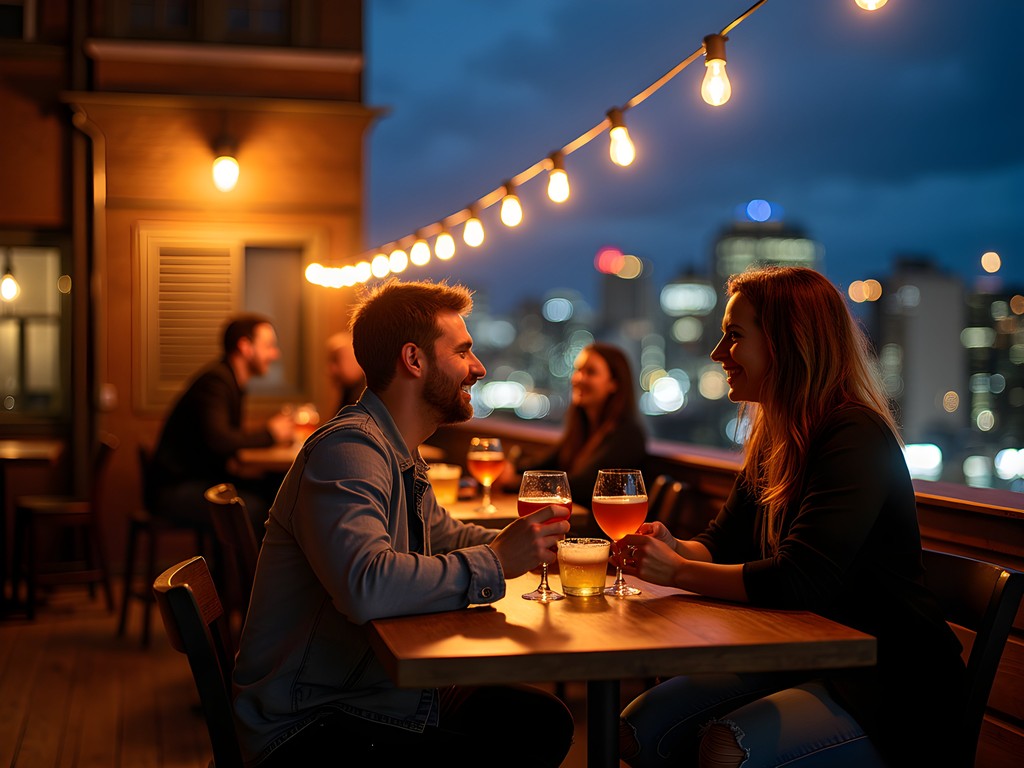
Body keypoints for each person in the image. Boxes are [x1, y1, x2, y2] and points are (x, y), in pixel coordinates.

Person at [614, 266, 967, 767]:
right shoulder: (774, 438)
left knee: (724, 747)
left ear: (790, 342)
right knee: (633, 729)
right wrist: (675, 548)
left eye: (734, 337)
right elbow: (720, 542)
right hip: (799, 657)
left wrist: (678, 571)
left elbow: (801, 580)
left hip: (888, 680)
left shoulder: (852, 435)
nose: (718, 355)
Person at [232, 279, 574, 768]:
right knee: (526, 734)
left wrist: (547, 550)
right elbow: (365, 584)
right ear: (414, 360)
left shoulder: (396, 451)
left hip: (362, 692)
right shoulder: (349, 449)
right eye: (463, 351)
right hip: (305, 725)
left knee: (540, 720)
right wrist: (498, 560)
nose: (478, 368)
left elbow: (446, 537)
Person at [149, 313, 294, 536]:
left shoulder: (228, 380)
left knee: (272, 490)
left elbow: (223, 440)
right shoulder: (216, 382)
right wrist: (270, 434)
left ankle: (243, 570)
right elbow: (220, 440)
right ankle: (242, 571)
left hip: (195, 480)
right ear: (245, 347)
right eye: (269, 346)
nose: (275, 354)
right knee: (257, 508)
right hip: (175, 490)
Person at [507, 342, 648, 512]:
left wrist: (514, 482)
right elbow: (546, 463)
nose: (578, 379)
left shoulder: (627, 434)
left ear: (614, 383)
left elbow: (584, 486)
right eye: (578, 370)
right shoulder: (584, 428)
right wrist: (512, 469)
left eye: (591, 372)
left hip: (598, 531)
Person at [325, 329, 365, 412]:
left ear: (356, 359)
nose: (331, 369)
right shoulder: (348, 392)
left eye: (336, 359)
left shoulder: (364, 400)